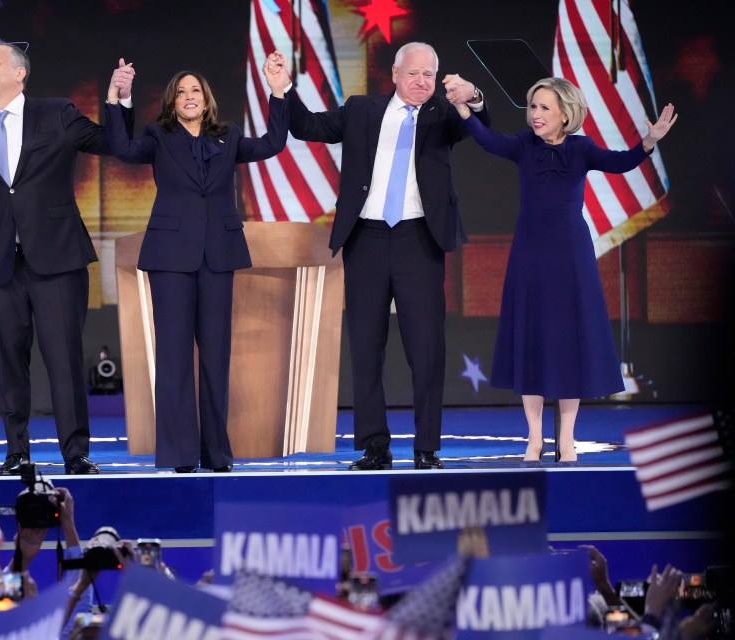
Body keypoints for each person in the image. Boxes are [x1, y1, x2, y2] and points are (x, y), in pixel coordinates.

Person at [267, 43, 489, 471]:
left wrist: (474, 98)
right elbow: (308, 126)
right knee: (366, 346)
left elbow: (480, 124)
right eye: (414, 74)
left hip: (418, 238)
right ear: (395, 74)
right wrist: (283, 90)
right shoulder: (362, 109)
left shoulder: (444, 114)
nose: (422, 82)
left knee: (426, 348)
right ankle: (375, 447)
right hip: (366, 238)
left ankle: (426, 448)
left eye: (430, 74)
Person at [447, 77, 677, 464]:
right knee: (531, 341)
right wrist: (462, 108)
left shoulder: (581, 148)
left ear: (566, 115)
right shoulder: (523, 146)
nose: (535, 115)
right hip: (530, 256)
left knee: (568, 346)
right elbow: (488, 140)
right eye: (532, 106)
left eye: (544, 108)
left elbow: (619, 163)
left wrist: (649, 141)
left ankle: (567, 439)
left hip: (571, 257)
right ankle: (534, 439)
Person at [104, 56, 290, 473]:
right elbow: (122, 148)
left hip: (218, 256)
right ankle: (178, 454)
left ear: (207, 102)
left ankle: (215, 453)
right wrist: (118, 99)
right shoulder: (158, 136)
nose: (189, 97)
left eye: (196, 92)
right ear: (173, 103)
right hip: (170, 258)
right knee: (173, 357)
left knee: (215, 356)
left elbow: (272, 145)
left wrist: (278, 91)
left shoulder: (229, 136)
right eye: (182, 92)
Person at [0, 43, 135, 475]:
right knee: (9, 363)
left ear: (20, 74)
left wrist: (118, 99)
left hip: (56, 258)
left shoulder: (55, 113)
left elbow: (112, 142)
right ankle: (16, 452)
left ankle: (76, 453)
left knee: (64, 359)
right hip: (0, 267)